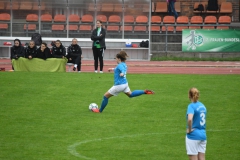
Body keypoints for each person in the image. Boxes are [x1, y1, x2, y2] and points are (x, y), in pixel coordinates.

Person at [186, 88, 207, 160]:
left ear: (189, 95)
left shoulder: (191, 106)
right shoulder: (203, 106)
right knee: (202, 158)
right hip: (203, 135)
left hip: (193, 136)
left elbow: (190, 119)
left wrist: (189, 129)